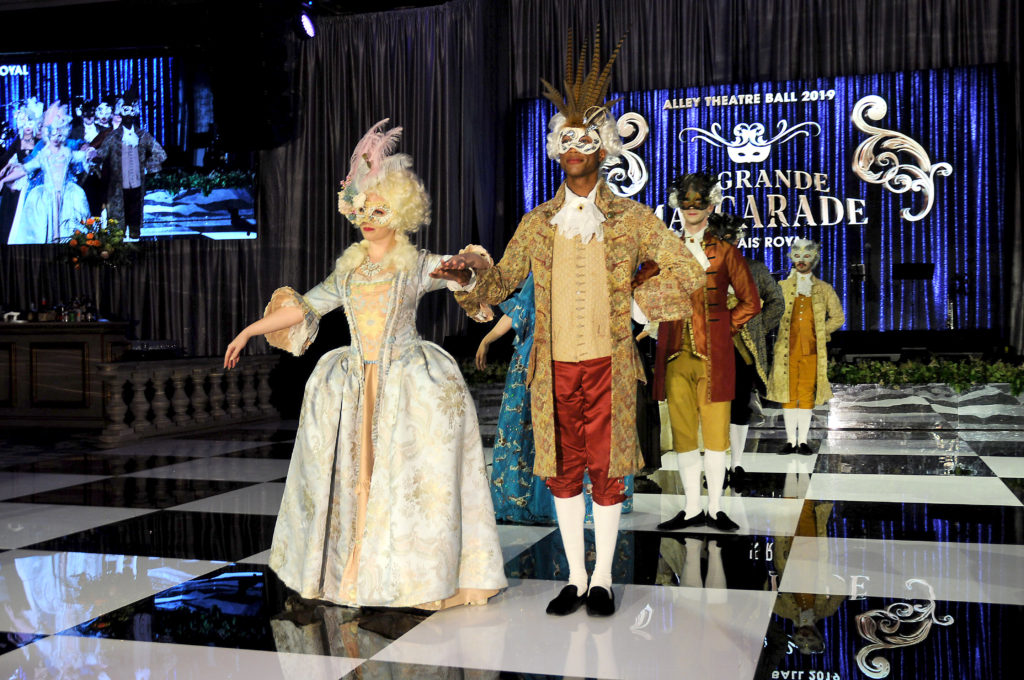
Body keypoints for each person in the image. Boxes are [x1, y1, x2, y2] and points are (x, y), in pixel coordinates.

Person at [432, 29, 704, 616]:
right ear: (557, 149)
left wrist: (634, 309)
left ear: (603, 150)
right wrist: (464, 279)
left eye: (586, 140)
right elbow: (501, 284)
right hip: (551, 368)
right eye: (566, 140)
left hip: (609, 365)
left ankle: (603, 577)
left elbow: (687, 271)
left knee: (607, 472)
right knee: (562, 472)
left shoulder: (632, 218)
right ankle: (576, 578)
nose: (575, 149)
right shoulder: (538, 221)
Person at [224, 119, 507, 610]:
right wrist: (251, 329)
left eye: (380, 209)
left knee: (405, 479)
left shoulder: (417, 263)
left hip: (407, 382)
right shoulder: (349, 268)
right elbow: (307, 306)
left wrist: (465, 267)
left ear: (399, 212)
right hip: (354, 383)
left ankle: (409, 576)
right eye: (362, 209)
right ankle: (356, 570)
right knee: (356, 477)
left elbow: (471, 270)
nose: (369, 218)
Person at [477, 275, 634, 525]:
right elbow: (521, 307)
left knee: (577, 429)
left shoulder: (592, 265)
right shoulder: (543, 266)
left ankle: (582, 497)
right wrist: (487, 339)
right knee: (541, 430)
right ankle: (547, 500)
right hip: (540, 356)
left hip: (579, 354)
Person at [652, 173, 760, 533]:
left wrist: (723, 326)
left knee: (715, 434)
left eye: (699, 205)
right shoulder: (667, 247)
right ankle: (692, 508)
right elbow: (641, 285)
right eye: (685, 205)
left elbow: (751, 302)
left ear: (711, 207)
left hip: (715, 357)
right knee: (683, 434)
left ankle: (715, 508)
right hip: (673, 354)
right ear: (678, 207)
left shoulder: (726, 251)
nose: (691, 211)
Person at [705, 212, 784, 487]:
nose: (727, 242)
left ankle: (735, 464)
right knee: (712, 407)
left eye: (731, 237)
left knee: (739, 406)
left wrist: (756, 329)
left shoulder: (755, 268)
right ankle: (715, 466)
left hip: (742, 352)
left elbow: (777, 302)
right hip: (708, 349)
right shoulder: (702, 268)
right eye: (720, 237)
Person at [767, 239, 845, 453]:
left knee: (806, 395)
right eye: (798, 257)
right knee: (788, 395)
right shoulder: (781, 287)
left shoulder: (824, 289)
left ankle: (802, 441)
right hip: (786, 351)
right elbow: (769, 312)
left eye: (806, 257)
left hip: (812, 351)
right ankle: (790, 441)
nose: (801, 261)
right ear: (792, 258)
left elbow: (838, 317)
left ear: (814, 259)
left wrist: (821, 331)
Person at [4, 103, 90, 244]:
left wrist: (90, 152)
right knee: (44, 230)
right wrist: (4, 179)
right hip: (46, 197)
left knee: (68, 230)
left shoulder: (67, 152)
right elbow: (26, 168)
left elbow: (82, 155)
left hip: (68, 196)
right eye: (53, 132)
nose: (56, 136)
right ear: (47, 133)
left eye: (59, 133)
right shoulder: (43, 154)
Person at [93, 87, 166, 238]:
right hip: (118, 190)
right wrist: (92, 156)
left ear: (135, 114)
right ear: (120, 113)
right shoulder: (113, 137)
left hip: (136, 189)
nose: (127, 117)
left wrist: (146, 167)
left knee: (135, 231)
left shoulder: (142, 135)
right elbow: (101, 154)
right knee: (117, 232)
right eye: (125, 113)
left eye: (130, 113)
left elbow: (161, 154)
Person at [0, 99, 43, 244]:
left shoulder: (39, 143)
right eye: (25, 124)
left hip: (33, 183)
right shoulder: (18, 141)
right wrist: (6, 168)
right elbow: (6, 158)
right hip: (18, 182)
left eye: (30, 123)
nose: (28, 127)